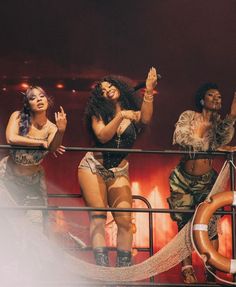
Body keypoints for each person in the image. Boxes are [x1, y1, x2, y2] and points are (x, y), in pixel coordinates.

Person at [78, 68, 158, 267]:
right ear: (100, 97)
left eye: (110, 85)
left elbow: (146, 118)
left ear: (119, 87)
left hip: (119, 170)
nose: (107, 90)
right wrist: (121, 116)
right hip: (93, 167)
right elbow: (103, 136)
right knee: (98, 217)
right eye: (103, 90)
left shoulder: (132, 112)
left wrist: (148, 91)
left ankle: (123, 269)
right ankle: (103, 270)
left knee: (124, 221)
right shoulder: (98, 113)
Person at [167, 83, 236, 283]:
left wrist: (231, 116)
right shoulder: (188, 116)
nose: (216, 98)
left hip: (207, 182)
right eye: (211, 95)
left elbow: (223, 138)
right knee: (183, 224)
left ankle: (211, 269)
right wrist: (212, 145)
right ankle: (187, 270)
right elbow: (181, 138)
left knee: (210, 224)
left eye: (220, 96)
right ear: (201, 100)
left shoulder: (219, 124)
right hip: (182, 179)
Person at [1, 85, 67, 226]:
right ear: (27, 103)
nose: (38, 99)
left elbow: (52, 147)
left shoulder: (51, 128)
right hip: (8, 178)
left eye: (41, 96)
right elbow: (11, 138)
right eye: (33, 98)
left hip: (32, 184)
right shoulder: (17, 116)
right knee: (8, 225)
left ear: (48, 101)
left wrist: (61, 131)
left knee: (35, 225)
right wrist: (40, 142)